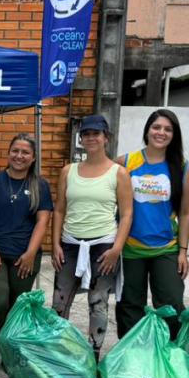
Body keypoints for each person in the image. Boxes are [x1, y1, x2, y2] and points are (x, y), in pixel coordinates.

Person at [51, 114, 132, 359]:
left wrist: (117, 248)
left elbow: (127, 214)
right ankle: (57, 353)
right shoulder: (69, 170)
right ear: (81, 139)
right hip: (71, 244)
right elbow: (60, 209)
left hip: (103, 246)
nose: (91, 138)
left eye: (96, 133)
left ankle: (93, 354)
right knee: (59, 302)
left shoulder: (119, 173)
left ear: (106, 138)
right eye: (86, 134)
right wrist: (55, 243)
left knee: (98, 303)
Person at [115, 109, 189, 339]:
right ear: (147, 130)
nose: (161, 132)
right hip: (130, 249)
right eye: (156, 127)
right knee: (129, 305)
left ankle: (171, 355)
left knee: (171, 304)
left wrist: (183, 251)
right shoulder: (126, 162)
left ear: (174, 135)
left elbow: (187, 212)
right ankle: (132, 356)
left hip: (166, 249)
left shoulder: (183, 168)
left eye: (168, 129)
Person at [0, 133, 53, 374]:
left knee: (16, 307)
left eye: (25, 153)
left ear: (32, 158)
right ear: (9, 153)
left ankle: (9, 350)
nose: (19, 156)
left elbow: (43, 221)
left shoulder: (40, 185)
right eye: (15, 151)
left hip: (25, 256)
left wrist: (31, 253)